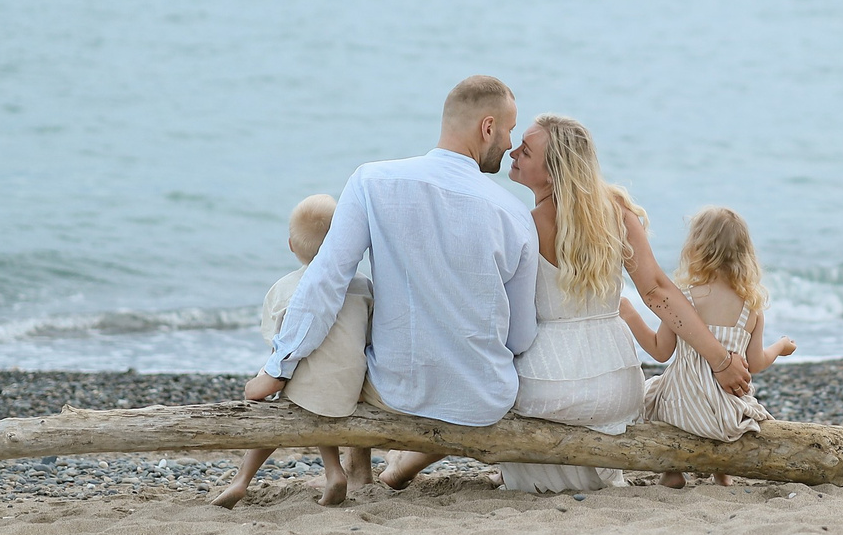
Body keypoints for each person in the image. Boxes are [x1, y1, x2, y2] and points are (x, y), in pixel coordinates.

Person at [254, 77, 538, 486]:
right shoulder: (515, 214)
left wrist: (280, 366)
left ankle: (357, 469)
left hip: (396, 394)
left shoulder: (372, 182)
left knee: (352, 315)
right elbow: (520, 339)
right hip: (482, 400)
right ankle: (387, 466)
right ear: (488, 127)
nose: (510, 143)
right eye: (510, 130)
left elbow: (327, 279)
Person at [491, 115, 748, 494]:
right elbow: (658, 291)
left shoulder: (527, 224)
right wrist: (720, 360)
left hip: (545, 384)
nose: (513, 152)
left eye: (525, 151)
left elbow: (510, 314)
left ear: (553, 172)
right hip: (616, 386)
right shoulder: (616, 214)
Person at [206, 194, 376, 509]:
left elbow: (279, 344)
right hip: (351, 388)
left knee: (284, 399)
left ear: (291, 246)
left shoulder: (285, 289)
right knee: (319, 390)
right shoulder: (363, 286)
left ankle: (241, 480)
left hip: (309, 391)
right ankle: (334, 471)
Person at [622, 205, 796, 487]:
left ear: (696, 248)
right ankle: (722, 472)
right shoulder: (751, 309)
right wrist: (781, 346)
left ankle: (673, 472)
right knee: (738, 397)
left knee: (652, 393)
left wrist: (630, 315)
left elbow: (660, 351)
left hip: (682, 408)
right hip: (725, 415)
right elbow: (756, 364)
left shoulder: (685, 301)